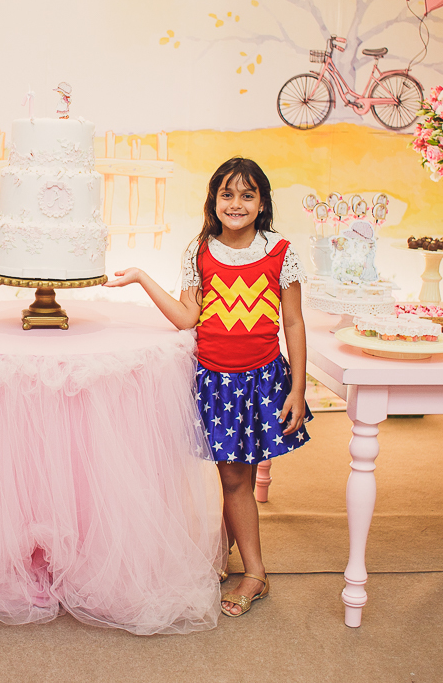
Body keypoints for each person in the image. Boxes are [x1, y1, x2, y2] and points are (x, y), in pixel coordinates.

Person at [104, 156, 312, 618]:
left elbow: (294, 323)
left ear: (262, 203)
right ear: (213, 200)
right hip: (215, 384)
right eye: (227, 194)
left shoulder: (280, 251)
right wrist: (141, 277)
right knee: (233, 477)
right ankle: (226, 557)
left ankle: (254, 574)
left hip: (259, 381)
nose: (236, 203)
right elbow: (187, 317)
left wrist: (298, 388)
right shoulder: (199, 251)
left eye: (247, 194)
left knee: (235, 478)